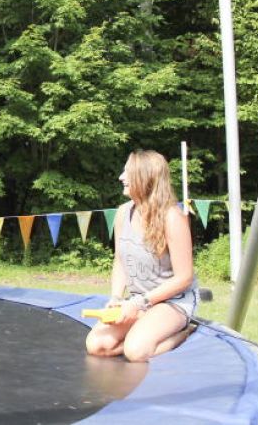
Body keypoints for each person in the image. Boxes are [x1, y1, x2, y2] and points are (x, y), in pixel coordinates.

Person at [85, 149, 199, 362]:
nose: (121, 177)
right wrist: (116, 298)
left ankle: (183, 332)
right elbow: (120, 260)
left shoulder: (173, 217)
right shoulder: (123, 212)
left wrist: (140, 303)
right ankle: (143, 329)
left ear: (145, 178)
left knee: (135, 351)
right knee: (96, 345)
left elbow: (184, 278)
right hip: (138, 301)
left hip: (172, 301)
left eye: (127, 173)